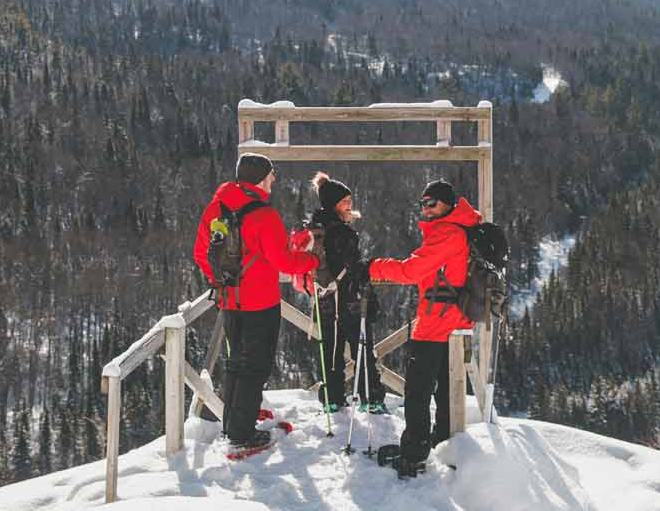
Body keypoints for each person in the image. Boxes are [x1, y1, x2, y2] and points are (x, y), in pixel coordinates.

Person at [193, 152, 318, 455]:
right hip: (260, 302)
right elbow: (283, 260)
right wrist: (313, 259)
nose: (274, 180)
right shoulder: (264, 215)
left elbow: (201, 253)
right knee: (256, 367)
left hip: (230, 301)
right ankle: (242, 435)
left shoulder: (216, 208)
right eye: (271, 175)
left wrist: (222, 283)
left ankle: (233, 425)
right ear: (262, 178)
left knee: (236, 364)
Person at [367, 179, 482, 474]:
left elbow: (410, 270)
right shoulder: (464, 230)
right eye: (423, 204)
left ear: (447, 204)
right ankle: (445, 444)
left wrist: (372, 267)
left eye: (432, 203)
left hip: (436, 324)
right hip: (457, 322)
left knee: (417, 391)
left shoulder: (448, 233)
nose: (426, 210)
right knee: (446, 390)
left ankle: (415, 452)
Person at [293, 172, 383, 413]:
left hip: (324, 301)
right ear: (334, 203)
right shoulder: (344, 233)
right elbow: (353, 268)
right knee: (362, 350)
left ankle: (332, 400)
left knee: (330, 355)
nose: (349, 205)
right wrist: (370, 275)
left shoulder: (315, 228)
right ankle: (371, 399)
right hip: (348, 302)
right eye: (345, 201)